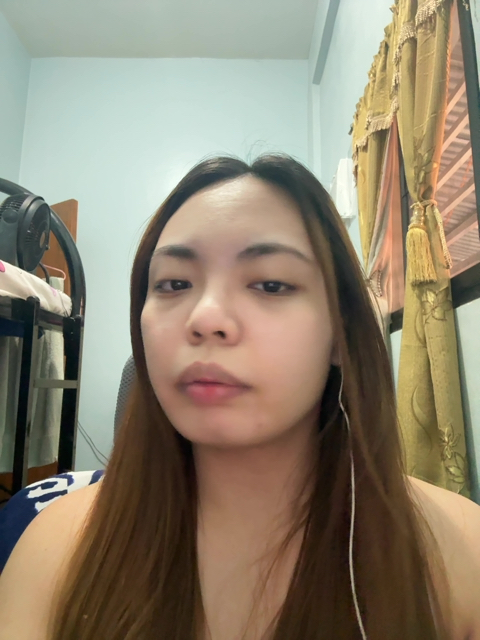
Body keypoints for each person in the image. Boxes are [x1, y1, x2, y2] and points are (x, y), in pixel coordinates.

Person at [0, 154, 479, 640]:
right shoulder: (54, 546)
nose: (206, 317)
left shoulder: (460, 552)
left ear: (340, 333)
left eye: (271, 284)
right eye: (174, 283)